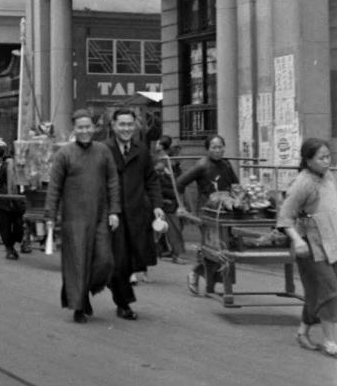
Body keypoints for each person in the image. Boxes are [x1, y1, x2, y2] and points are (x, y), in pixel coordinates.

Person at [44, 109, 120, 324]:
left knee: (105, 260)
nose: (85, 131)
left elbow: (113, 182)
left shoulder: (103, 151)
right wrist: (50, 215)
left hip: (101, 215)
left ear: (94, 128)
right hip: (74, 218)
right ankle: (78, 305)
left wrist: (114, 211)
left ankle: (86, 289)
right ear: (74, 130)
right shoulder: (64, 154)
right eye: (81, 127)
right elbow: (54, 188)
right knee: (77, 262)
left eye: (88, 127)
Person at [276, 138, 337, 357]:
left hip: (331, 242)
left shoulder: (329, 176)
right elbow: (285, 217)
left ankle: (302, 333)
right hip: (311, 245)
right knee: (331, 291)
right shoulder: (303, 183)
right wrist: (298, 240)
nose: (326, 161)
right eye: (321, 158)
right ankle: (332, 341)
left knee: (315, 293)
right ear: (308, 160)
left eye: (328, 156)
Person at [107, 108, 164, 320]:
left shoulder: (141, 151)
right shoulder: (103, 150)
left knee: (133, 260)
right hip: (114, 215)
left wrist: (157, 205)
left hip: (138, 215)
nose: (126, 129)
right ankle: (124, 303)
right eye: (122, 124)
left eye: (130, 124)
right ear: (113, 126)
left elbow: (151, 180)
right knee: (119, 261)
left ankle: (116, 288)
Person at [176, 134, 239, 295]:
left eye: (220, 147)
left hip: (224, 211)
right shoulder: (202, 165)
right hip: (207, 212)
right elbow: (180, 183)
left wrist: (238, 198)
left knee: (225, 246)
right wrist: (183, 206)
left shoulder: (226, 164)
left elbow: (235, 185)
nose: (218, 150)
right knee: (211, 247)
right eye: (214, 147)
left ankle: (214, 284)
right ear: (207, 149)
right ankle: (195, 272)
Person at [0, 146, 24, 260]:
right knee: (5, 225)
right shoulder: (1, 165)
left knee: (18, 225)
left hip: (17, 198)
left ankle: (14, 245)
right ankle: (9, 248)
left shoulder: (22, 165)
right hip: (4, 198)